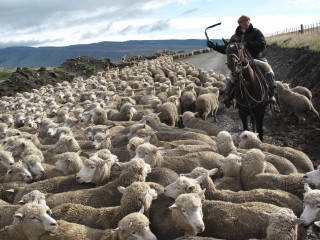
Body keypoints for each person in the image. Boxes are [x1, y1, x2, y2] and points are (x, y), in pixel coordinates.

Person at [206, 15, 277, 108]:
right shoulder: (235, 36)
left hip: (256, 58)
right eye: (242, 22)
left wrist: (248, 44)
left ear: (249, 21)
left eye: (246, 21)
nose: (245, 23)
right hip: (241, 61)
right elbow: (228, 49)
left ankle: (272, 94)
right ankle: (229, 96)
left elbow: (262, 44)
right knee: (232, 75)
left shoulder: (256, 32)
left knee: (268, 69)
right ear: (239, 24)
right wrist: (214, 46)